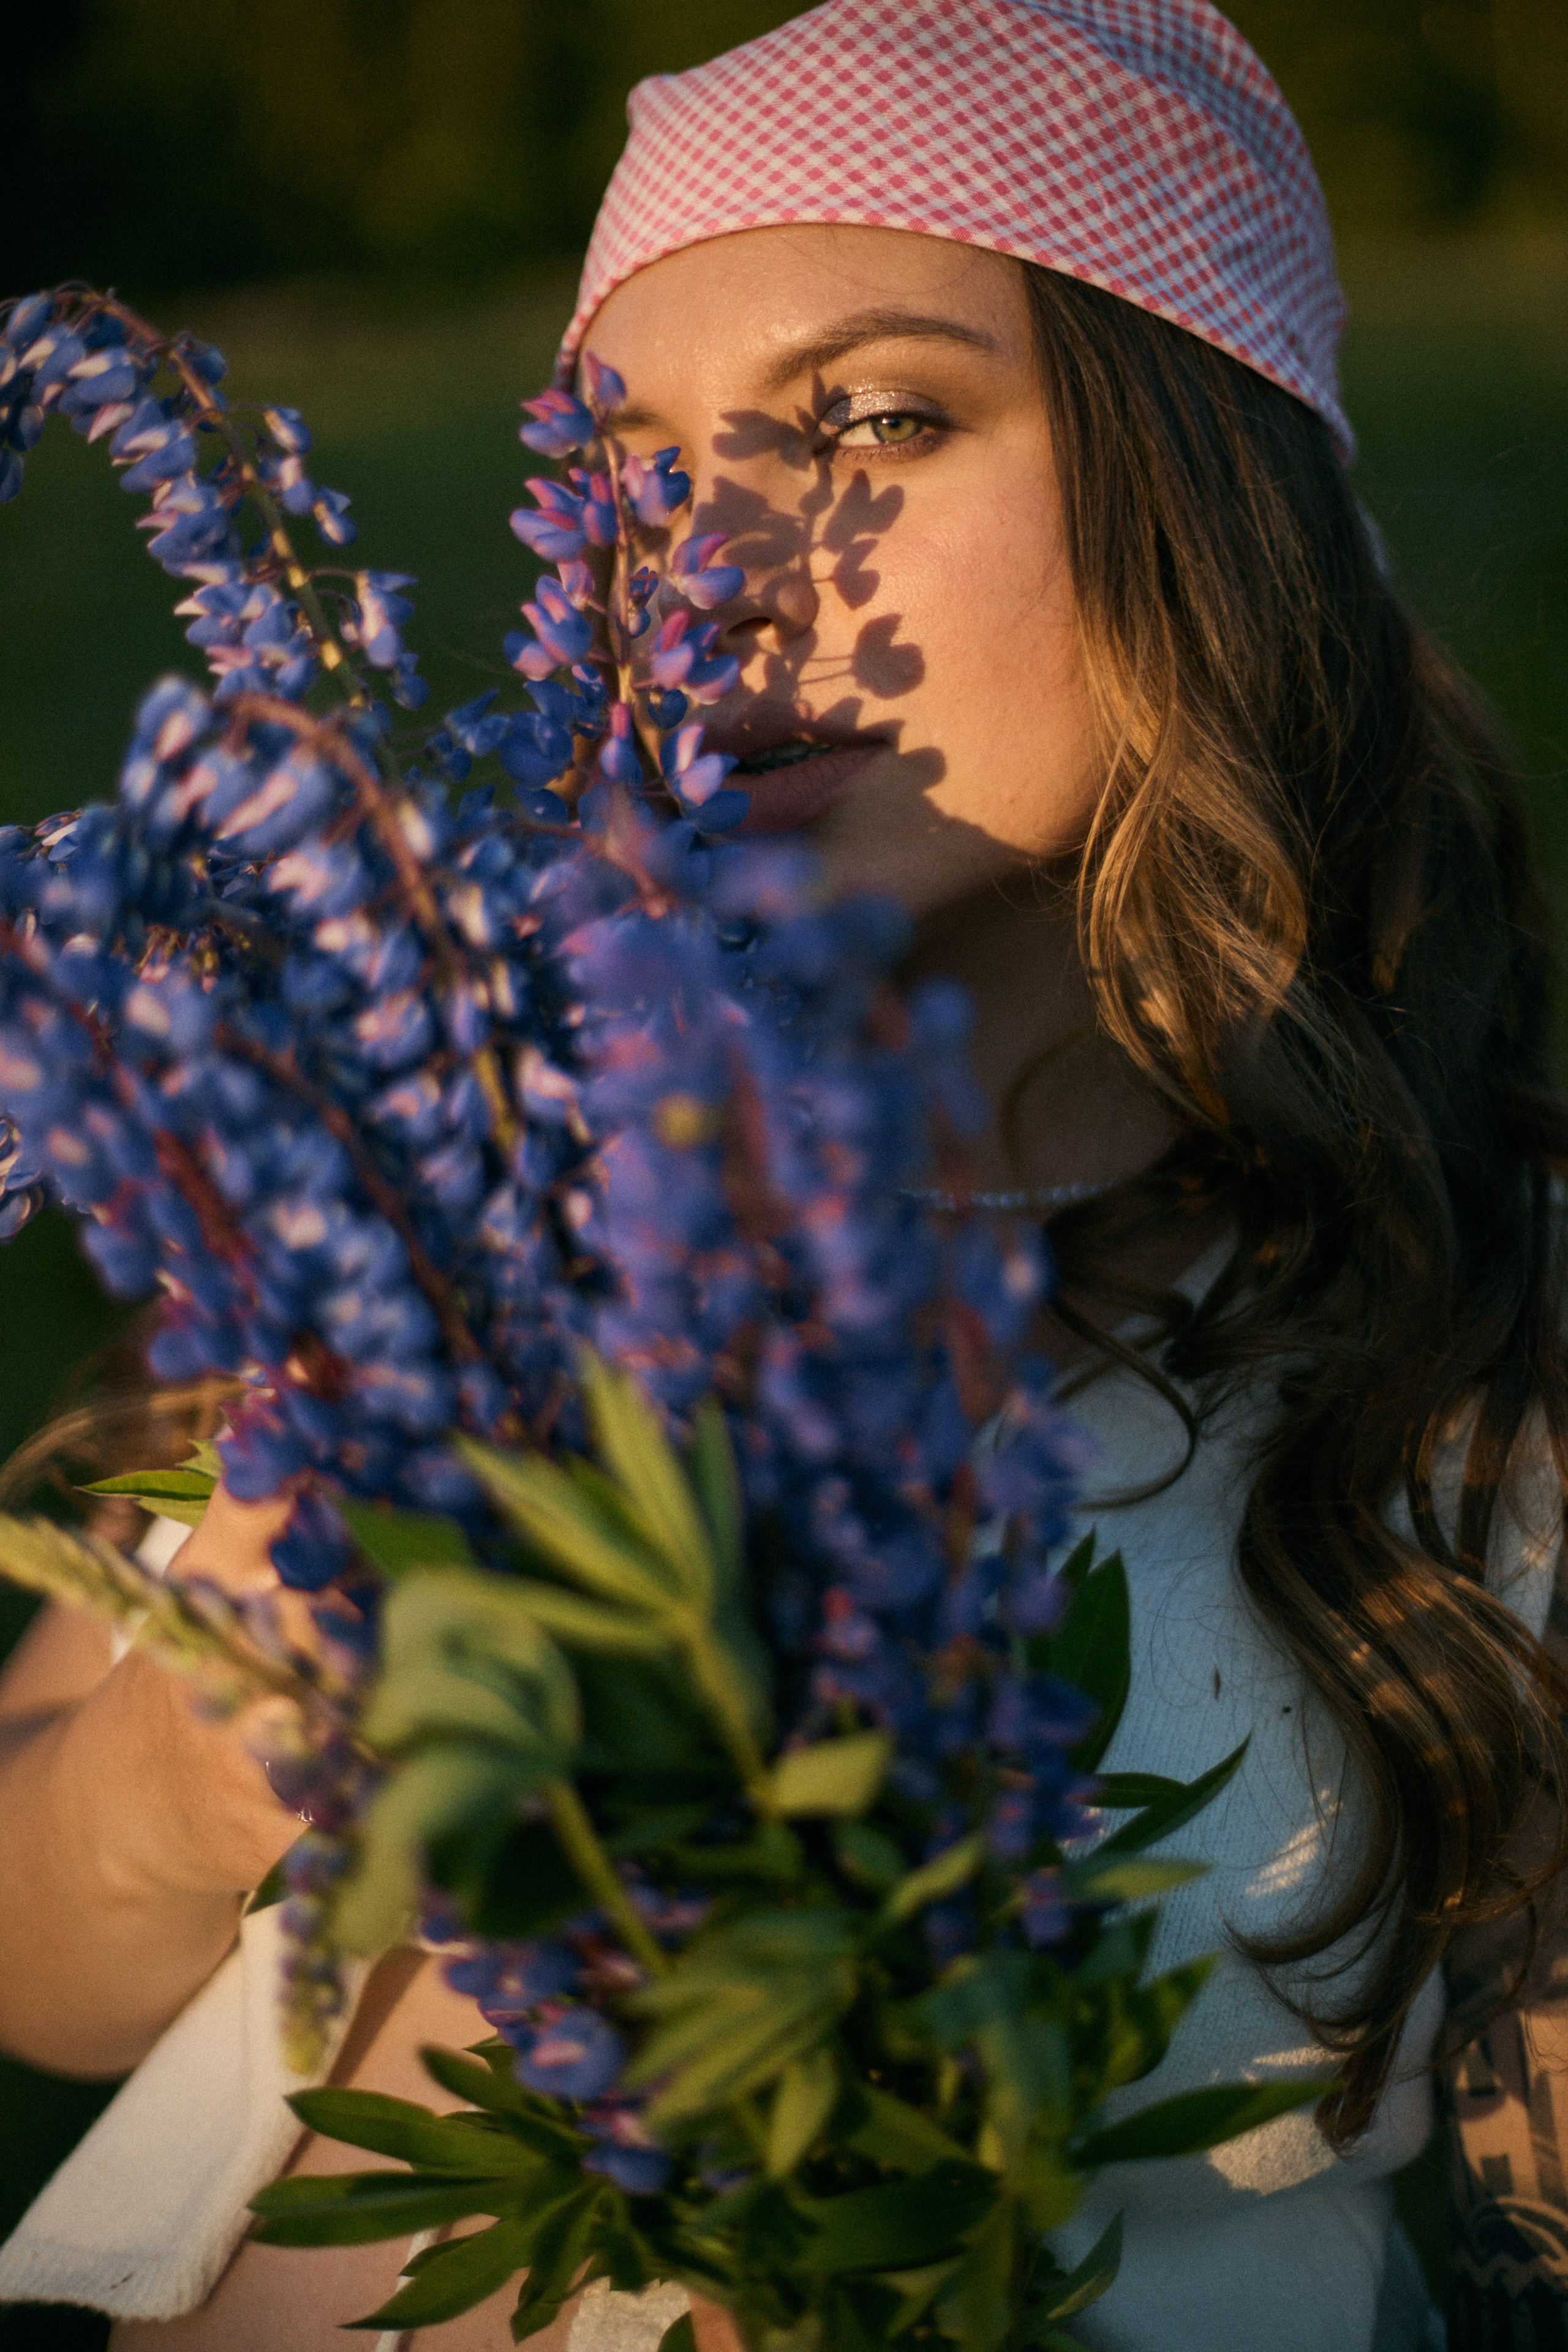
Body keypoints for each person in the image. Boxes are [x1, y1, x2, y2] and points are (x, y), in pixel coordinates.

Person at [0, 2, 1564, 2346]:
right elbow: (43, 1967)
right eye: (627, 469)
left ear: (1204, 488)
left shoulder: (1462, 1331)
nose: (714, 569)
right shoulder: (457, 1165)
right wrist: (187, 1776)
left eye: (877, 419)